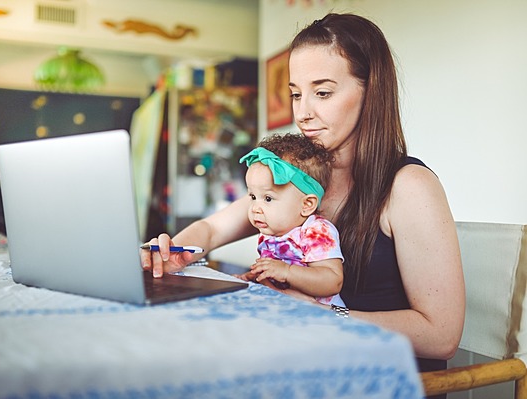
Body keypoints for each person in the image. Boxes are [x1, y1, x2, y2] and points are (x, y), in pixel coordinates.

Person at [141, 12, 465, 378]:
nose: (303, 113)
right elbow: (211, 230)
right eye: (296, 94)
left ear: (371, 91)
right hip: (312, 363)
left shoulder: (409, 185)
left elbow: (442, 336)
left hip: (380, 377)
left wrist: (323, 315)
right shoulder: (297, 180)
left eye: (322, 93)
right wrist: (174, 253)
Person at [237, 133, 345, 307]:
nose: (255, 208)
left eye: (268, 198)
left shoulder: (316, 231)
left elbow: (332, 281)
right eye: (252, 196)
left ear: (307, 205)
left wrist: (286, 271)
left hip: (319, 319)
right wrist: (257, 276)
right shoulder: (271, 232)